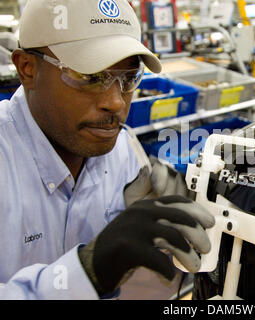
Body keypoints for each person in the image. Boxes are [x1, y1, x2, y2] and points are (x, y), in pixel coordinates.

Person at [0, 0, 214, 299]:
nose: (115, 102)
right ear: (27, 68)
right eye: (90, 77)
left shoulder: (123, 151)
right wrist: (88, 270)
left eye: (128, 79)